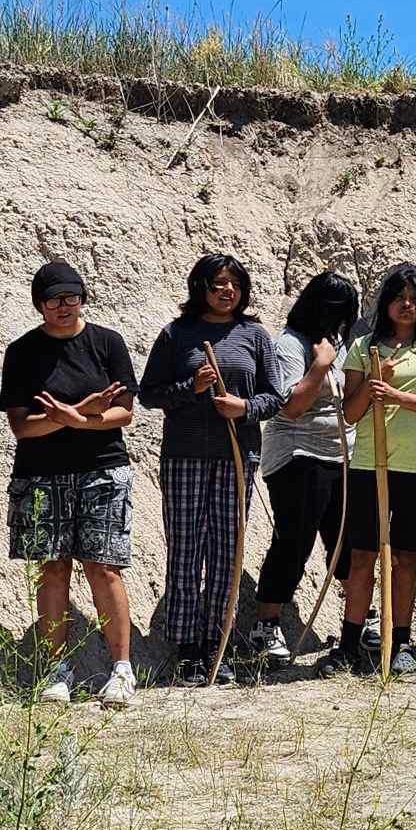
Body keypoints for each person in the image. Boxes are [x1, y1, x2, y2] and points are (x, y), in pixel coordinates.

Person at [139, 254, 285, 686]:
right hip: (184, 456)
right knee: (185, 550)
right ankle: (187, 648)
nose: (228, 292)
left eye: (235, 285)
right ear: (200, 287)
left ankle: (218, 642)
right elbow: (149, 394)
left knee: (227, 552)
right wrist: (192, 388)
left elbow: (275, 396)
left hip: (237, 456)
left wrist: (243, 408)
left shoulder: (254, 335)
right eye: (219, 284)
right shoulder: (176, 334)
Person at [0, 261, 139, 708]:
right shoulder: (22, 351)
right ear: (39, 304)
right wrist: (76, 417)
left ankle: (121, 669)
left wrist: (73, 417)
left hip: (102, 468)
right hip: (40, 475)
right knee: (52, 568)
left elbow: (124, 414)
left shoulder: (106, 342)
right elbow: (23, 427)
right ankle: (56, 670)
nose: (63, 306)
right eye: (54, 299)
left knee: (104, 566)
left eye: (71, 297)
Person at [327, 263, 416, 677]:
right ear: (385, 303)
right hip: (370, 464)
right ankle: (350, 643)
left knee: (404, 556)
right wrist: (372, 384)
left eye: (414, 299)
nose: (406, 305)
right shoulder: (364, 346)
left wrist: (399, 397)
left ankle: (401, 642)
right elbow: (349, 414)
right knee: (363, 554)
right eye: (399, 298)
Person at [247, 272, 359, 665]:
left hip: (341, 452)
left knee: (344, 536)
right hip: (296, 452)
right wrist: (319, 367)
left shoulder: (342, 344)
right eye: (335, 312)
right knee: (296, 537)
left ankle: (358, 618)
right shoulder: (289, 344)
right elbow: (290, 406)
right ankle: (266, 622)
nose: (340, 321)